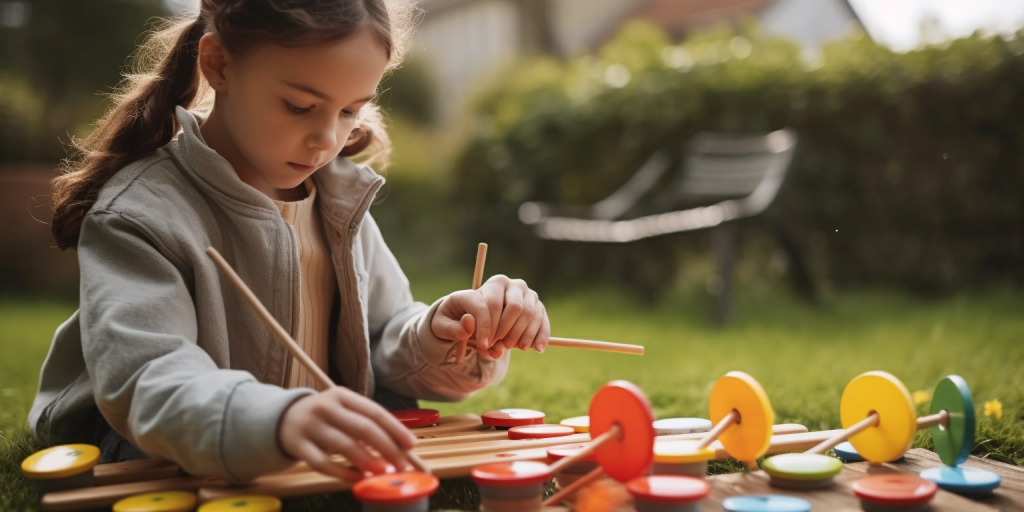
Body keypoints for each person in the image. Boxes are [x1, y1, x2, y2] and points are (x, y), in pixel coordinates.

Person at [28, 0, 551, 484]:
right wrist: (274, 418)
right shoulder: (141, 212)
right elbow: (145, 377)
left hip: (306, 438)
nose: (328, 139)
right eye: (300, 105)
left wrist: (444, 332)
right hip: (160, 440)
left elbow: (385, 340)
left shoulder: (339, 201)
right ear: (219, 63)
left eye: (350, 110)